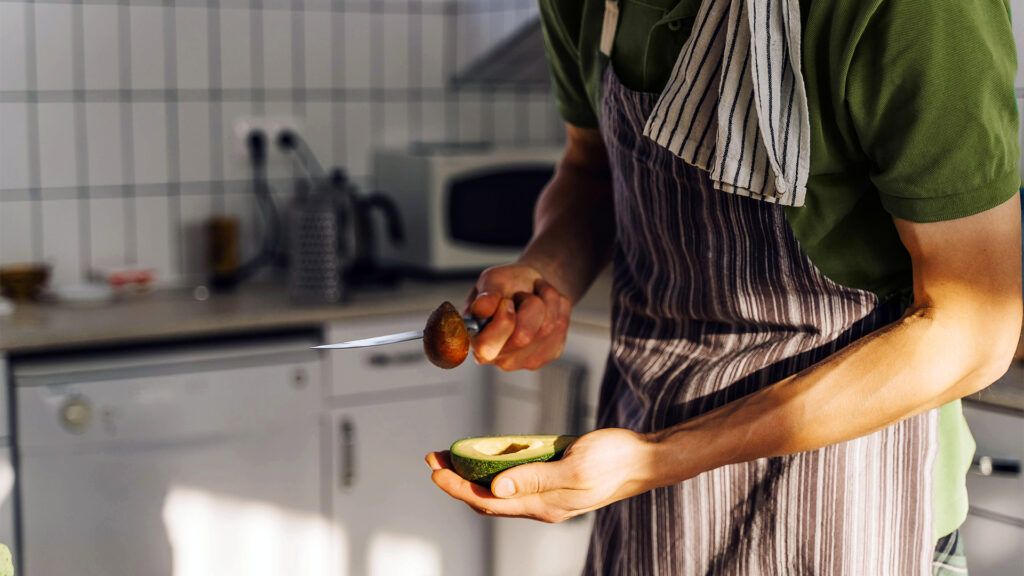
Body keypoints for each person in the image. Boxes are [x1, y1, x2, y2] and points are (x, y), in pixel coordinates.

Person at [426, 0, 1022, 573]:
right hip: (644, 491)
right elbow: (590, 166)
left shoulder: (915, 11)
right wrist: (549, 271)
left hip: (846, 493)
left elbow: (972, 331)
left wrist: (660, 458)